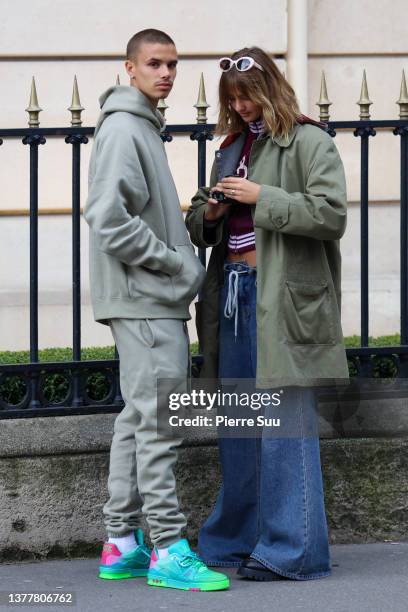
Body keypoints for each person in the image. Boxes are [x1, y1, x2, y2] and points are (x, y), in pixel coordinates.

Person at [186, 47, 349, 581]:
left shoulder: (309, 140)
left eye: (248, 96)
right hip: (232, 292)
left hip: (283, 298)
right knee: (239, 424)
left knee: (283, 428)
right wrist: (208, 213)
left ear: (270, 89)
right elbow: (203, 228)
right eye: (233, 99)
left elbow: (330, 214)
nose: (241, 107)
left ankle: (292, 551)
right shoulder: (230, 146)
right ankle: (234, 540)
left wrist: (263, 197)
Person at [84, 28, 229, 592]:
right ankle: (168, 548)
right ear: (130, 67)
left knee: (137, 419)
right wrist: (174, 263)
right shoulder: (125, 128)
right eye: (154, 63)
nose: (166, 72)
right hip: (148, 300)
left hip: (142, 300)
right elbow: (107, 215)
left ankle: (121, 541)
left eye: (172, 63)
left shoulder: (139, 125)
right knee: (161, 423)